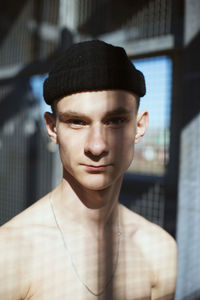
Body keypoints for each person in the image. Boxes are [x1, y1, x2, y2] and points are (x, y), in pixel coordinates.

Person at [0, 40, 177, 300]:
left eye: (115, 120)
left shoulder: (158, 250)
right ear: (52, 128)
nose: (97, 146)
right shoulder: (10, 253)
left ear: (139, 127)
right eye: (76, 122)